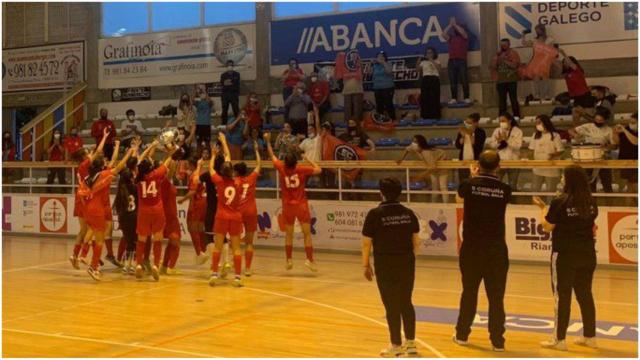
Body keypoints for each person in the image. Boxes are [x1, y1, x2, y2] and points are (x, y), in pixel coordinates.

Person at [532, 165, 599, 351]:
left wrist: (542, 209)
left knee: (562, 297)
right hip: (587, 254)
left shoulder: (559, 201)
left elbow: (547, 226)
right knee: (585, 294)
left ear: (568, 180)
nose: (561, 179)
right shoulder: (591, 202)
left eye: (563, 177)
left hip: (564, 255)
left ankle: (559, 339)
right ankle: (590, 336)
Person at [454, 150, 511, 352]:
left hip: (471, 248)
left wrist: (473, 176)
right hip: (496, 249)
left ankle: (462, 334)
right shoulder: (505, 188)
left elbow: (460, 195)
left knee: (469, 292)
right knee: (496, 297)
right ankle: (497, 341)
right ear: (498, 166)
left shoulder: (469, 184)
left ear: (478, 165)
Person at [361, 177, 420, 357]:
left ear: (381, 192)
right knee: (406, 302)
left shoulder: (374, 214)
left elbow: (366, 243)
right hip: (406, 263)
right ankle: (411, 343)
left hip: (385, 265)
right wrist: (408, 259)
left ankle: (396, 345)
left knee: (391, 305)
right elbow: (416, 243)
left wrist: (365, 265)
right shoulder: (409, 213)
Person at [77, 142, 136, 281]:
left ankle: (86, 258)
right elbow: (120, 166)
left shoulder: (87, 178)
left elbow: (81, 195)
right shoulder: (103, 175)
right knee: (99, 241)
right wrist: (129, 153)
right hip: (98, 209)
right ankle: (93, 267)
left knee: (94, 236)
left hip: (88, 209)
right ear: (100, 166)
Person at [265, 132, 322, 271]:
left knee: (289, 234)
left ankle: (289, 260)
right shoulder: (301, 169)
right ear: (296, 162)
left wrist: (267, 141)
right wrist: (309, 160)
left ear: (286, 162)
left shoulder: (281, 168)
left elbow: (272, 155)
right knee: (306, 234)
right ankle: (309, 259)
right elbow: (319, 170)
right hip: (301, 205)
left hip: (287, 206)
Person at [68, 129, 109, 270]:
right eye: (86, 152)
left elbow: (95, 154)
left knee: (84, 229)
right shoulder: (85, 165)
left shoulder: (82, 166)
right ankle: (84, 256)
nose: (88, 153)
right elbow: (98, 152)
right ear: (84, 156)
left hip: (80, 196)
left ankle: (76, 255)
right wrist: (104, 137)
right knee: (91, 228)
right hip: (84, 198)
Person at [208, 133, 245, 287]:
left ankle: (214, 274)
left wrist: (213, 155)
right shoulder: (238, 181)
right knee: (236, 248)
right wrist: (224, 141)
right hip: (235, 217)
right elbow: (228, 158)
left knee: (217, 247)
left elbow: (210, 167)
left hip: (221, 216)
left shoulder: (218, 181)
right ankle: (237, 277)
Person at [134, 140, 175, 281]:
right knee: (158, 239)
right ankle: (156, 265)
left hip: (143, 211)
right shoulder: (156, 174)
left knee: (142, 240)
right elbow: (168, 161)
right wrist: (170, 152)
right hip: (157, 210)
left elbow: (139, 160)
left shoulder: (138, 178)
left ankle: (139, 264)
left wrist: (150, 146)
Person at [569, 107, 614, 193]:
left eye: (601, 120)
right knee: (589, 184)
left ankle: (610, 204)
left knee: (607, 183)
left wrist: (607, 145)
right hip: (588, 159)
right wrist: (575, 135)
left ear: (605, 120)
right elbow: (571, 130)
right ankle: (591, 204)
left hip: (603, 159)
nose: (598, 122)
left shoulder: (609, 130)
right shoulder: (588, 126)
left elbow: (614, 146)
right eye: (597, 119)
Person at [233, 143, 261, 276]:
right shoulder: (251, 178)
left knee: (236, 241)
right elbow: (259, 165)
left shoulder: (235, 181)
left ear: (236, 172)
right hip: (251, 211)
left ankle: (235, 265)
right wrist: (256, 150)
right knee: (249, 243)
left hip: (239, 212)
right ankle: (248, 269)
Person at [397, 135, 448, 203]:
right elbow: (407, 149)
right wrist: (401, 158)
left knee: (443, 186)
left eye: (415, 141)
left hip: (442, 163)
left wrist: (419, 176)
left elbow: (432, 168)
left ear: (420, 143)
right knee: (434, 187)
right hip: (432, 165)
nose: (413, 143)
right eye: (413, 141)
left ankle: (446, 204)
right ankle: (433, 204)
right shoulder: (414, 147)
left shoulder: (426, 152)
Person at [199, 146, 226, 265]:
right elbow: (228, 158)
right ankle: (226, 262)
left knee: (209, 235)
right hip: (223, 209)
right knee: (223, 236)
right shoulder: (226, 176)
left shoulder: (209, 176)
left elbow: (196, 180)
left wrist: (199, 166)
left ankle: (216, 263)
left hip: (211, 208)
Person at [114, 155, 140, 275]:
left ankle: (126, 265)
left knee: (128, 240)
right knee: (135, 241)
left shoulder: (120, 190)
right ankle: (133, 264)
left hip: (123, 217)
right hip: (134, 216)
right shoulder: (135, 188)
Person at [178, 156, 206, 263]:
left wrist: (182, 199)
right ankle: (203, 250)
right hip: (203, 202)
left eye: (188, 164)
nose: (187, 166)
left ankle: (199, 253)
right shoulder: (201, 172)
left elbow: (193, 191)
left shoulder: (194, 175)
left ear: (192, 165)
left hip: (196, 203)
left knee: (191, 227)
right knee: (199, 228)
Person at [529, 115, 564, 196]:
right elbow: (531, 149)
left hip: (551, 168)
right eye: (536, 123)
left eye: (539, 122)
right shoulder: (535, 135)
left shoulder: (555, 135)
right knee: (535, 190)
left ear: (545, 123)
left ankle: (550, 207)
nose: (537, 124)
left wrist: (553, 155)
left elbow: (561, 150)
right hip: (538, 167)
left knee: (551, 191)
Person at [486, 112, 523, 190]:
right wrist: (499, 142)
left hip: (514, 162)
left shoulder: (517, 131)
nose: (501, 123)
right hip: (500, 162)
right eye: (500, 121)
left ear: (509, 121)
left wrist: (507, 140)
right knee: (496, 183)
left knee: (512, 184)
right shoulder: (497, 130)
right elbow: (492, 145)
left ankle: (512, 201)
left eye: (503, 121)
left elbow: (518, 146)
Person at [521, 24, 556, 101]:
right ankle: (536, 95)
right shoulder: (534, 40)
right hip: (536, 61)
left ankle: (546, 95)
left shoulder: (549, 40)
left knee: (545, 78)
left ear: (542, 30)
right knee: (536, 79)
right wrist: (523, 35)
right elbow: (524, 43)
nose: (537, 31)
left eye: (538, 30)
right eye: (536, 30)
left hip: (545, 61)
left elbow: (552, 51)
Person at [559, 50, 593, 125]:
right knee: (575, 113)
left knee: (585, 114)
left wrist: (563, 53)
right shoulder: (567, 74)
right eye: (564, 63)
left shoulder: (577, 70)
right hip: (575, 96)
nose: (565, 64)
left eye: (566, 62)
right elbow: (557, 64)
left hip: (584, 95)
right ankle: (576, 129)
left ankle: (595, 122)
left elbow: (570, 63)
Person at [160, 161, 182, 275]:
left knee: (171, 242)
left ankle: (164, 266)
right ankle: (171, 267)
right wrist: (173, 157)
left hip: (171, 216)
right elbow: (171, 172)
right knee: (176, 242)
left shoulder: (166, 183)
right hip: (169, 217)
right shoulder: (164, 183)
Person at [441, 17, 470, 104]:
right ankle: (454, 98)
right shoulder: (451, 38)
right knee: (452, 80)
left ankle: (466, 97)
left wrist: (454, 24)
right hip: (451, 61)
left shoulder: (465, 37)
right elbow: (443, 34)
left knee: (464, 79)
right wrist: (450, 25)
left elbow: (462, 32)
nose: (456, 30)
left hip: (461, 60)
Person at [491, 39, 521, 117]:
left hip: (511, 80)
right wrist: (497, 58)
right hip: (500, 81)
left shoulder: (513, 53)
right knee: (502, 101)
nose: (503, 46)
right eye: (501, 45)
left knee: (513, 99)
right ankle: (502, 117)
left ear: (509, 44)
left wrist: (504, 60)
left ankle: (516, 116)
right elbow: (493, 67)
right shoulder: (497, 55)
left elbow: (514, 65)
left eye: (504, 45)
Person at [612, 113, 638, 202]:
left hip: (636, 160)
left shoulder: (626, 130)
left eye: (634, 122)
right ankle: (630, 204)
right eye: (630, 122)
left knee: (635, 184)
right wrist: (614, 133)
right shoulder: (626, 129)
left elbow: (635, 142)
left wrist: (625, 131)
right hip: (624, 159)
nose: (631, 124)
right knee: (629, 184)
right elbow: (616, 142)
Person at [455, 113, 486, 180]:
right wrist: (463, 137)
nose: (467, 124)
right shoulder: (462, 131)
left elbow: (478, 147)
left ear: (476, 123)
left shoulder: (481, 132)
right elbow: (457, 145)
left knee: (475, 181)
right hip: (463, 161)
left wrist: (471, 135)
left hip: (475, 160)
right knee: (463, 181)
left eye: (469, 123)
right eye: (466, 122)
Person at [341, 49, 364, 124]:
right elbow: (338, 74)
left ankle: (358, 125)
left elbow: (362, 72)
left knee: (357, 110)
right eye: (351, 55)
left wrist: (359, 62)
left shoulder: (359, 64)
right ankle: (347, 125)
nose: (352, 56)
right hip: (347, 90)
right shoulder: (344, 65)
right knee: (347, 110)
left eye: (354, 55)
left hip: (357, 90)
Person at [418, 47, 441, 119]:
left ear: (434, 54)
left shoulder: (437, 61)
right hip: (426, 79)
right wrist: (418, 62)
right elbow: (418, 70)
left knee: (434, 97)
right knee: (425, 98)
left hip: (434, 79)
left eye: (431, 52)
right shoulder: (423, 62)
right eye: (428, 53)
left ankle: (435, 116)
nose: (429, 54)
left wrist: (431, 60)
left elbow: (439, 70)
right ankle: (425, 116)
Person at [371, 51, 396, 120]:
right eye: (378, 56)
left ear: (385, 58)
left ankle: (392, 120)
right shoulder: (375, 65)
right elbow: (370, 73)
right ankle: (380, 121)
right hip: (377, 88)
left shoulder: (388, 63)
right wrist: (371, 64)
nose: (380, 57)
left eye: (382, 56)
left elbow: (388, 71)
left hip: (388, 87)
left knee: (388, 104)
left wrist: (383, 63)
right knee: (379, 106)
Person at [282, 58, 305, 122]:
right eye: (291, 63)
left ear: (296, 64)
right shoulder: (286, 71)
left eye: (294, 63)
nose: (292, 65)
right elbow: (283, 80)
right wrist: (289, 71)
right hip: (288, 90)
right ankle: (287, 122)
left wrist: (296, 71)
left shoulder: (299, 70)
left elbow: (303, 78)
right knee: (287, 105)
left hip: (297, 89)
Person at [220, 60, 240, 125]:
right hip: (225, 95)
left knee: (236, 110)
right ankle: (224, 125)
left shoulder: (237, 74)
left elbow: (236, 85)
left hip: (234, 95)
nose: (230, 66)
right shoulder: (223, 75)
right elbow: (223, 85)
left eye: (231, 65)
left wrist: (228, 83)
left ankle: (238, 124)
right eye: (228, 65)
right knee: (224, 110)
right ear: (226, 66)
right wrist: (229, 83)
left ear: (233, 66)